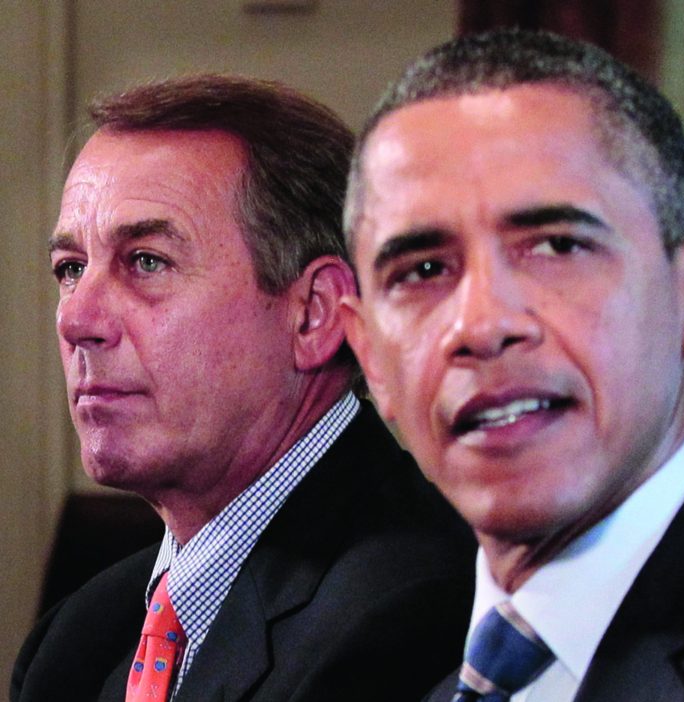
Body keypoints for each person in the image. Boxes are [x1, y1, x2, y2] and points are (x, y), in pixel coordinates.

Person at [11, 74, 476, 702]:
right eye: (70, 269)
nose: (76, 320)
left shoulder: (412, 611)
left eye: (146, 261)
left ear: (314, 315)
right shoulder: (76, 641)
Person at [341, 28, 684, 701]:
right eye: (423, 270)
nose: (480, 325)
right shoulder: (387, 672)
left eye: (557, 247)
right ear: (370, 356)